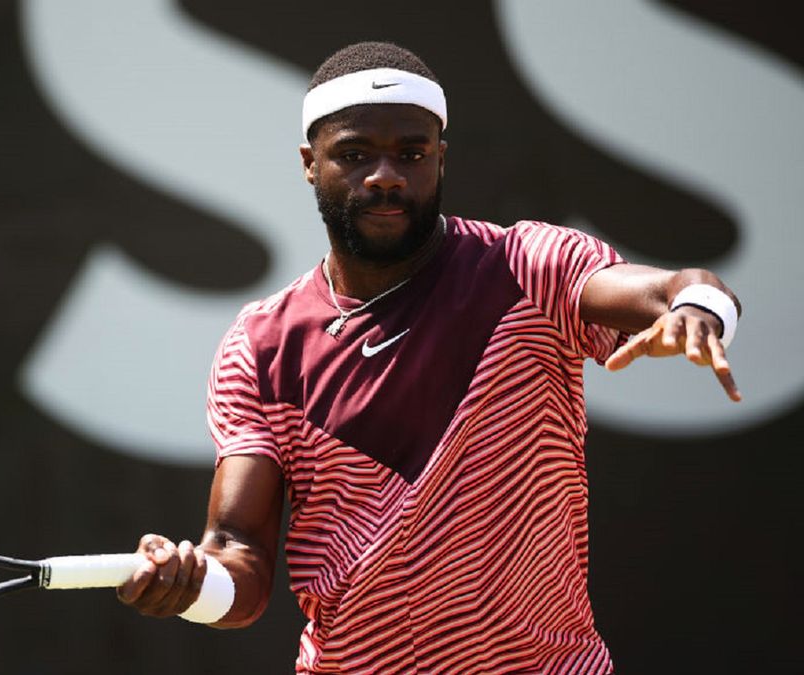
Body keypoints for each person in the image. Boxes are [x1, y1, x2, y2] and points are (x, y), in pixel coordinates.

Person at [116, 41, 741, 674]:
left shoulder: (523, 267)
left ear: (439, 160)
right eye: (355, 154)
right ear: (310, 163)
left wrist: (697, 311)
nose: (385, 175)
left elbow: (674, 287)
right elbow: (237, 558)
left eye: (411, 154)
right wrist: (192, 587)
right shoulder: (259, 345)